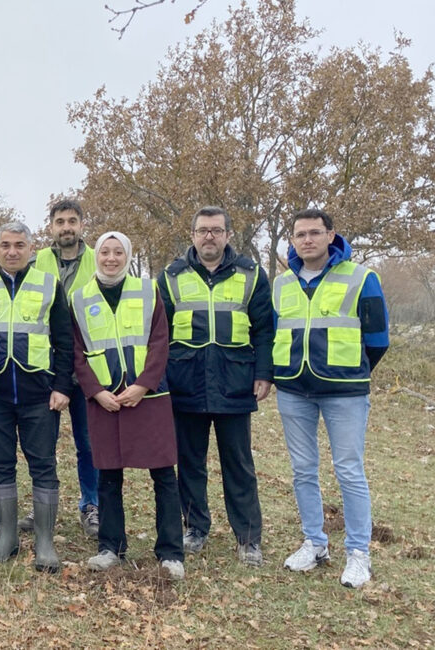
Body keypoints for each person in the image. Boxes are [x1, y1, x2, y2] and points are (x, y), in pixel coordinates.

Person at [273, 208, 388, 589]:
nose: (307, 240)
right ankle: (315, 543)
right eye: (300, 234)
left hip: (344, 392)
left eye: (314, 233)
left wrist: (351, 371)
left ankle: (358, 554)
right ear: (292, 240)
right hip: (293, 389)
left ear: (331, 235)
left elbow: (377, 339)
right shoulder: (282, 283)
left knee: (349, 470)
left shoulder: (361, 278)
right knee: (303, 470)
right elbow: (276, 332)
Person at [157, 207, 272, 567]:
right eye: (203, 230)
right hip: (185, 383)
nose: (210, 236)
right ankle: (195, 528)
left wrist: (264, 373)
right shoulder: (171, 276)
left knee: (238, 464)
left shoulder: (251, 274)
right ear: (192, 235)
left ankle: (249, 538)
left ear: (227, 235)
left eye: (216, 230)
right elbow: (159, 334)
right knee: (190, 462)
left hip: (234, 383)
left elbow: (265, 328)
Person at [0, 221, 74, 573]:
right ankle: (7, 536)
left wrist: (62, 387)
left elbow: (65, 342)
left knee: (44, 464)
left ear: (30, 248)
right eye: (5, 245)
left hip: (40, 392)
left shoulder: (49, 284)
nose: (12, 251)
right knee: (1, 463)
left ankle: (44, 541)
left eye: (19, 245)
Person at [72, 232, 185, 581]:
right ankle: (110, 548)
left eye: (117, 252)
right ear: (96, 256)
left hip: (147, 397)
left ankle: (170, 552)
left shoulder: (148, 290)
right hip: (104, 401)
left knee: (164, 475)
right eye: (104, 251)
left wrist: (143, 385)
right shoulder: (78, 299)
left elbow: (160, 341)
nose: (110, 258)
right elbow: (75, 352)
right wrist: (95, 391)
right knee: (108, 476)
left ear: (128, 255)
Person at [27, 198, 100, 539]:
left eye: (72, 221)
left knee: (89, 444)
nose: (66, 227)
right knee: (43, 444)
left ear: (81, 225)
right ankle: (43, 504)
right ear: (51, 226)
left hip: (88, 367)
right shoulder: (37, 260)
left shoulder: (99, 258)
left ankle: (92, 505)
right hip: (47, 366)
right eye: (60, 221)